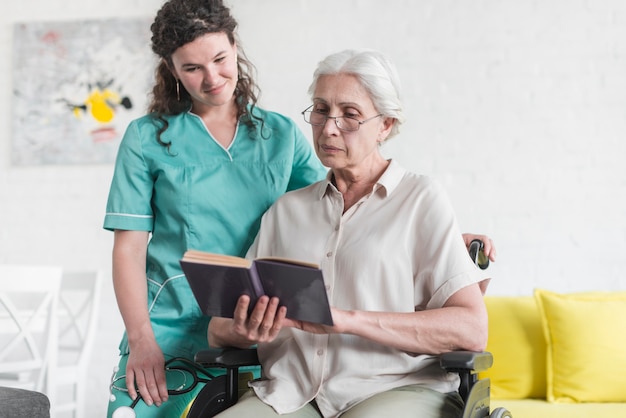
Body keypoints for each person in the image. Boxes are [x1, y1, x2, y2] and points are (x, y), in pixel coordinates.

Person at [103, 0, 495, 416]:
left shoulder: (280, 136)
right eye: (192, 67)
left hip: (296, 348)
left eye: (219, 59)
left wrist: (446, 240)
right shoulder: (150, 139)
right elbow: (129, 247)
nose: (212, 77)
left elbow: (354, 205)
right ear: (171, 69)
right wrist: (143, 337)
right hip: (181, 325)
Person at [208, 49, 491, 418]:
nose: (329, 127)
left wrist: (346, 320)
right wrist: (247, 329)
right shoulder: (286, 211)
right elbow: (218, 329)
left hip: (394, 389)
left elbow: (471, 330)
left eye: (350, 115)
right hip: (291, 395)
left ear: (385, 125)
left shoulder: (421, 199)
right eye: (321, 110)